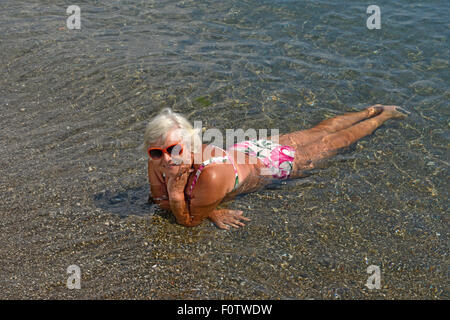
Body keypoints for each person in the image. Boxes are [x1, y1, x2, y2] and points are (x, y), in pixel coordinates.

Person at [142, 105, 409, 229]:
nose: (166, 159)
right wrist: (209, 207)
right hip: (247, 150)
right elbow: (158, 199)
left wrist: (182, 198)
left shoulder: (209, 175)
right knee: (318, 133)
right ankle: (370, 111)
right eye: (157, 152)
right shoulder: (159, 160)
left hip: (272, 164)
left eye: (175, 150)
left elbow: (188, 221)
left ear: (191, 146)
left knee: (338, 140)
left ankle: (380, 114)